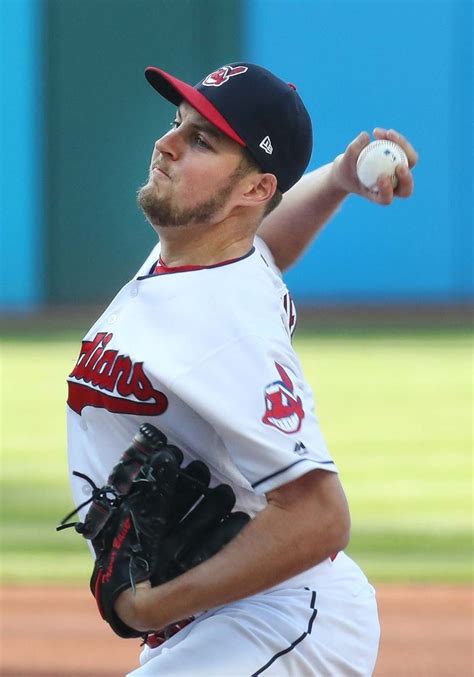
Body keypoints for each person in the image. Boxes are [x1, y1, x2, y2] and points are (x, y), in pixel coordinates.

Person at [66, 62, 417, 676]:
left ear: (255, 190)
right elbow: (265, 244)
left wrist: (149, 609)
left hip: (278, 620)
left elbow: (319, 515)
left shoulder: (227, 327)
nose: (166, 144)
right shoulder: (206, 254)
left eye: (201, 141)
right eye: (178, 124)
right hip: (233, 621)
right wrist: (337, 178)